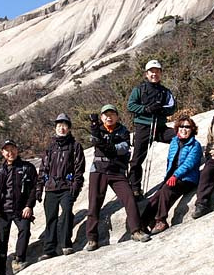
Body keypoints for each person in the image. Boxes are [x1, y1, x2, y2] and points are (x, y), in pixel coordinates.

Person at [86, 104, 151, 250]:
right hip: (98, 170)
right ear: (102, 117)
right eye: (106, 115)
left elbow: (122, 148)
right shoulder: (98, 129)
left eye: (112, 114)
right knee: (94, 204)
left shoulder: (123, 131)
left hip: (116, 171)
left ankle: (136, 230)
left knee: (129, 198)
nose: (109, 117)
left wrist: (108, 146)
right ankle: (92, 239)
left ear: (117, 116)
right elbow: (94, 139)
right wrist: (94, 126)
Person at [140, 115, 202, 234]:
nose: (184, 129)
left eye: (187, 127)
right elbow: (170, 161)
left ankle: (161, 220)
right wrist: (169, 176)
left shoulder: (195, 145)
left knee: (166, 190)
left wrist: (175, 175)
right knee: (154, 198)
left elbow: (189, 164)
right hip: (172, 177)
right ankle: (142, 224)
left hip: (187, 179)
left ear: (192, 129)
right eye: (181, 126)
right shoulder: (174, 142)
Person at [0, 139, 39, 275]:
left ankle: (19, 259)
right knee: (2, 243)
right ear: (2, 153)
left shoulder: (27, 168)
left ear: (17, 150)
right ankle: (0, 272)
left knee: (25, 230)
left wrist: (29, 205)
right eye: (7, 150)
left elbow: (35, 188)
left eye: (13, 149)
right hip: (2, 212)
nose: (10, 153)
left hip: (20, 209)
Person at [37, 113, 85, 260]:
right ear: (55, 128)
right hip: (51, 187)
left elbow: (79, 169)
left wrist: (75, 188)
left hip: (66, 187)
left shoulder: (75, 146)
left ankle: (66, 244)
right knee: (50, 218)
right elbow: (43, 168)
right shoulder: (51, 147)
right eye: (59, 126)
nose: (61, 128)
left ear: (69, 128)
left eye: (64, 125)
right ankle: (49, 249)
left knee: (66, 214)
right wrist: (39, 188)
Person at [127, 59, 177, 198]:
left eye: (157, 71)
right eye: (151, 71)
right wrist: (147, 109)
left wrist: (161, 110)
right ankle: (135, 188)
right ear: (146, 74)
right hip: (143, 127)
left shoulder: (165, 91)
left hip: (159, 127)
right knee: (136, 159)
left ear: (160, 73)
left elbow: (172, 107)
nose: (154, 74)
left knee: (179, 136)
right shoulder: (139, 89)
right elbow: (131, 106)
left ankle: (178, 170)